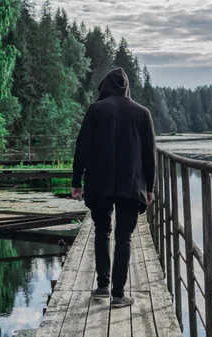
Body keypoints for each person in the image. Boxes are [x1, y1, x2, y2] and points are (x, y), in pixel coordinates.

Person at [71, 67, 156, 308]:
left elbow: (82, 147)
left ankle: (103, 286)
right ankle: (118, 295)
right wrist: (150, 186)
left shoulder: (96, 110)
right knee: (124, 237)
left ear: (106, 86)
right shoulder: (142, 113)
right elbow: (150, 155)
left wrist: (76, 181)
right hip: (131, 183)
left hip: (99, 182)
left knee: (102, 231)